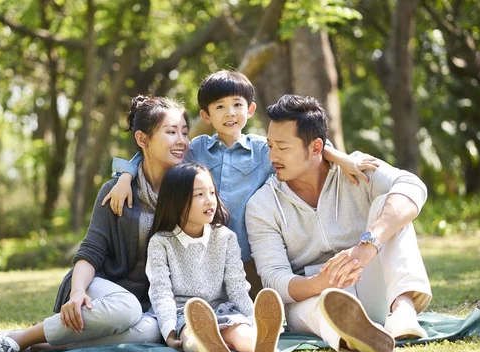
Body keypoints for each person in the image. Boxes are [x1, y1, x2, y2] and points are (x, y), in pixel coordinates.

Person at [105, 70, 377, 300]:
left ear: (250, 109)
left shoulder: (264, 150)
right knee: (209, 302)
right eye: (220, 107)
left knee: (258, 305)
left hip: (251, 256)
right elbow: (153, 154)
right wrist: (126, 175)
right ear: (207, 115)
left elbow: (312, 148)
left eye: (237, 104)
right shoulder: (197, 149)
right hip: (207, 253)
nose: (230, 113)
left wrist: (340, 158)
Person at [0, 95, 191, 352]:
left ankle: (46, 346)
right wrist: (77, 293)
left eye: (184, 131)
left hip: (144, 303)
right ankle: (17, 338)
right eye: (171, 132)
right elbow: (92, 250)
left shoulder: (184, 194)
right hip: (99, 286)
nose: (181, 140)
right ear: (142, 139)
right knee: (126, 308)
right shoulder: (115, 192)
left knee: (151, 331)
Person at [245, 94, 433, 352]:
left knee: (389, 207)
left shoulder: (356, 169)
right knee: (311, 308)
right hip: (313, 297)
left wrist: (369, 244)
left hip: (369, 278)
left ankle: (403, 315)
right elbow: (275, 278)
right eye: (270, 146)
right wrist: (319, 283)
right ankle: (351, 336)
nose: (273, 156)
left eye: (283, 147)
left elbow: (413, 187)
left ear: (315, 147)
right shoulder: (262, 205)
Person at [146, 162, 284, 352]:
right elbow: (161, 292)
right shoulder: (161, 242)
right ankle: (210, 347)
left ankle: (261, 343)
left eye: (211, 192)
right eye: (199, 195)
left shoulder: (226, 237)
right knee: (191, 335)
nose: (209, 200)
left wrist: (251, 318)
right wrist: (169, 330)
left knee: (238, 329)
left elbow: (237, 287)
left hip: (223, 310)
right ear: (176, 200)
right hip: (185, 314)